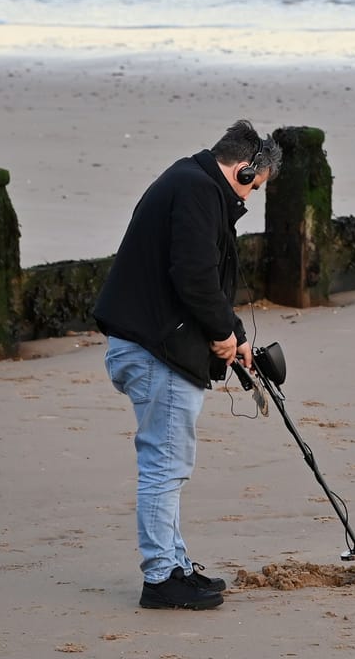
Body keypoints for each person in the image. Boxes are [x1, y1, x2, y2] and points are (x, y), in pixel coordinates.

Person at [93, 120, 282, 611]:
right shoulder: (198, 191)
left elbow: (201, 278)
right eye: (255, 186)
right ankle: (161, 578)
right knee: (164, 464)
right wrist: (221, 336)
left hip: (144, 342)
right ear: (243, 168)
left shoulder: (188, 181)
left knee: (168, 462)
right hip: (156, 351)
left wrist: (235, 334)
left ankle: (176, 565)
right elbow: (193, 276)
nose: (252, 196)